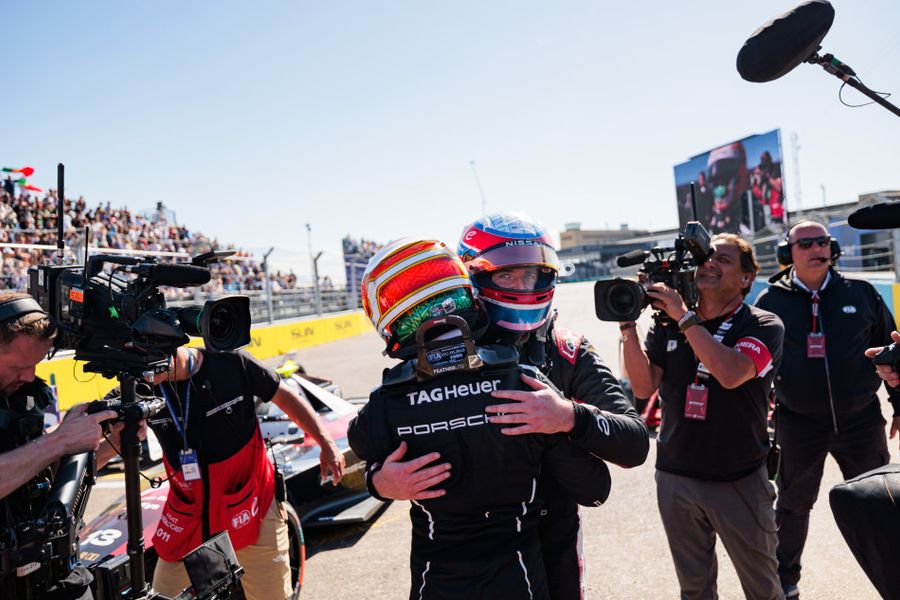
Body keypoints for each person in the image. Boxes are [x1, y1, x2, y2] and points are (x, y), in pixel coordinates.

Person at [369, 213, 649, 599]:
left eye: (533, 275)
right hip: (456, 557)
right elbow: (382, 432)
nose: (523, 286)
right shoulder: (436, 348)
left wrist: (568, 416)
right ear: (472, 278)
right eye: (507, 276)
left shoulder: (567, 349)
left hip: (554, 539)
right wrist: (379, 482)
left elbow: (634, 443)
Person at [621, 233, 785, 600]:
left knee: (763, 589)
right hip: (676, 476)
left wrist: (683, 316)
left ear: (746, 278)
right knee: (694, 589)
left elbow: (730, 374)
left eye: (724, 260)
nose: (709, 263)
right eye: (705, 258)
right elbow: (644, 387)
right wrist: (627, 325)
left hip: (738, 478)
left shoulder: (762, 324)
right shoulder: (666, 326)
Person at [122, 344, 346, 600]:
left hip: (252, 506)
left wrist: (326, 444)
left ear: (173, 346)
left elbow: (283, 395)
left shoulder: (230, 361)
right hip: (189, 514)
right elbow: (105, 428)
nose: (147, 376)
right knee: (161, 594)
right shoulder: (137, 382)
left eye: (152, 364)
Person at [754, 220, 898, 599]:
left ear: (832, 246)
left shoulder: (862, 293)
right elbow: (755, 366)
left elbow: (890, 350)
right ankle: (786, 581)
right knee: (792, 506)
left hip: (862, 421)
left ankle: (896, 575)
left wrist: (899, 405)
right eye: (806, 243)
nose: (816, 248)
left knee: (881, 500)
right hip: (798, 424)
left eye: (822, 241)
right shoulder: (770, 302)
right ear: (788, 254)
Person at [0, 292, 119, 600]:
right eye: (19, 366)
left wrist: (105, 444)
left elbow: (37, 475)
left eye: (37, 364)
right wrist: (61, 439)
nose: (29, 376)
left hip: (48, 574)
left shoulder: (25, 395)